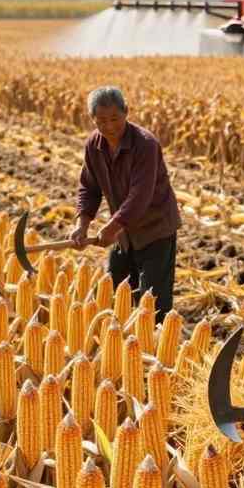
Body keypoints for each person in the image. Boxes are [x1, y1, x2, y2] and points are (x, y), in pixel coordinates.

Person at [73, 86, 181, 320]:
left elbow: (140, 196)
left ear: (127, 112)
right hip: (124, 234)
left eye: (114, 118)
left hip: (155, 230)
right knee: (113, 291)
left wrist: (112, 227)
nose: (109, 127)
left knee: (153, 303)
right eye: (101, 121)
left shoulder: (145, 144)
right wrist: (82, 225)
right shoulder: (94, 145)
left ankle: (155, 347)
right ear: (92, 119)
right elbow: (89, 187)